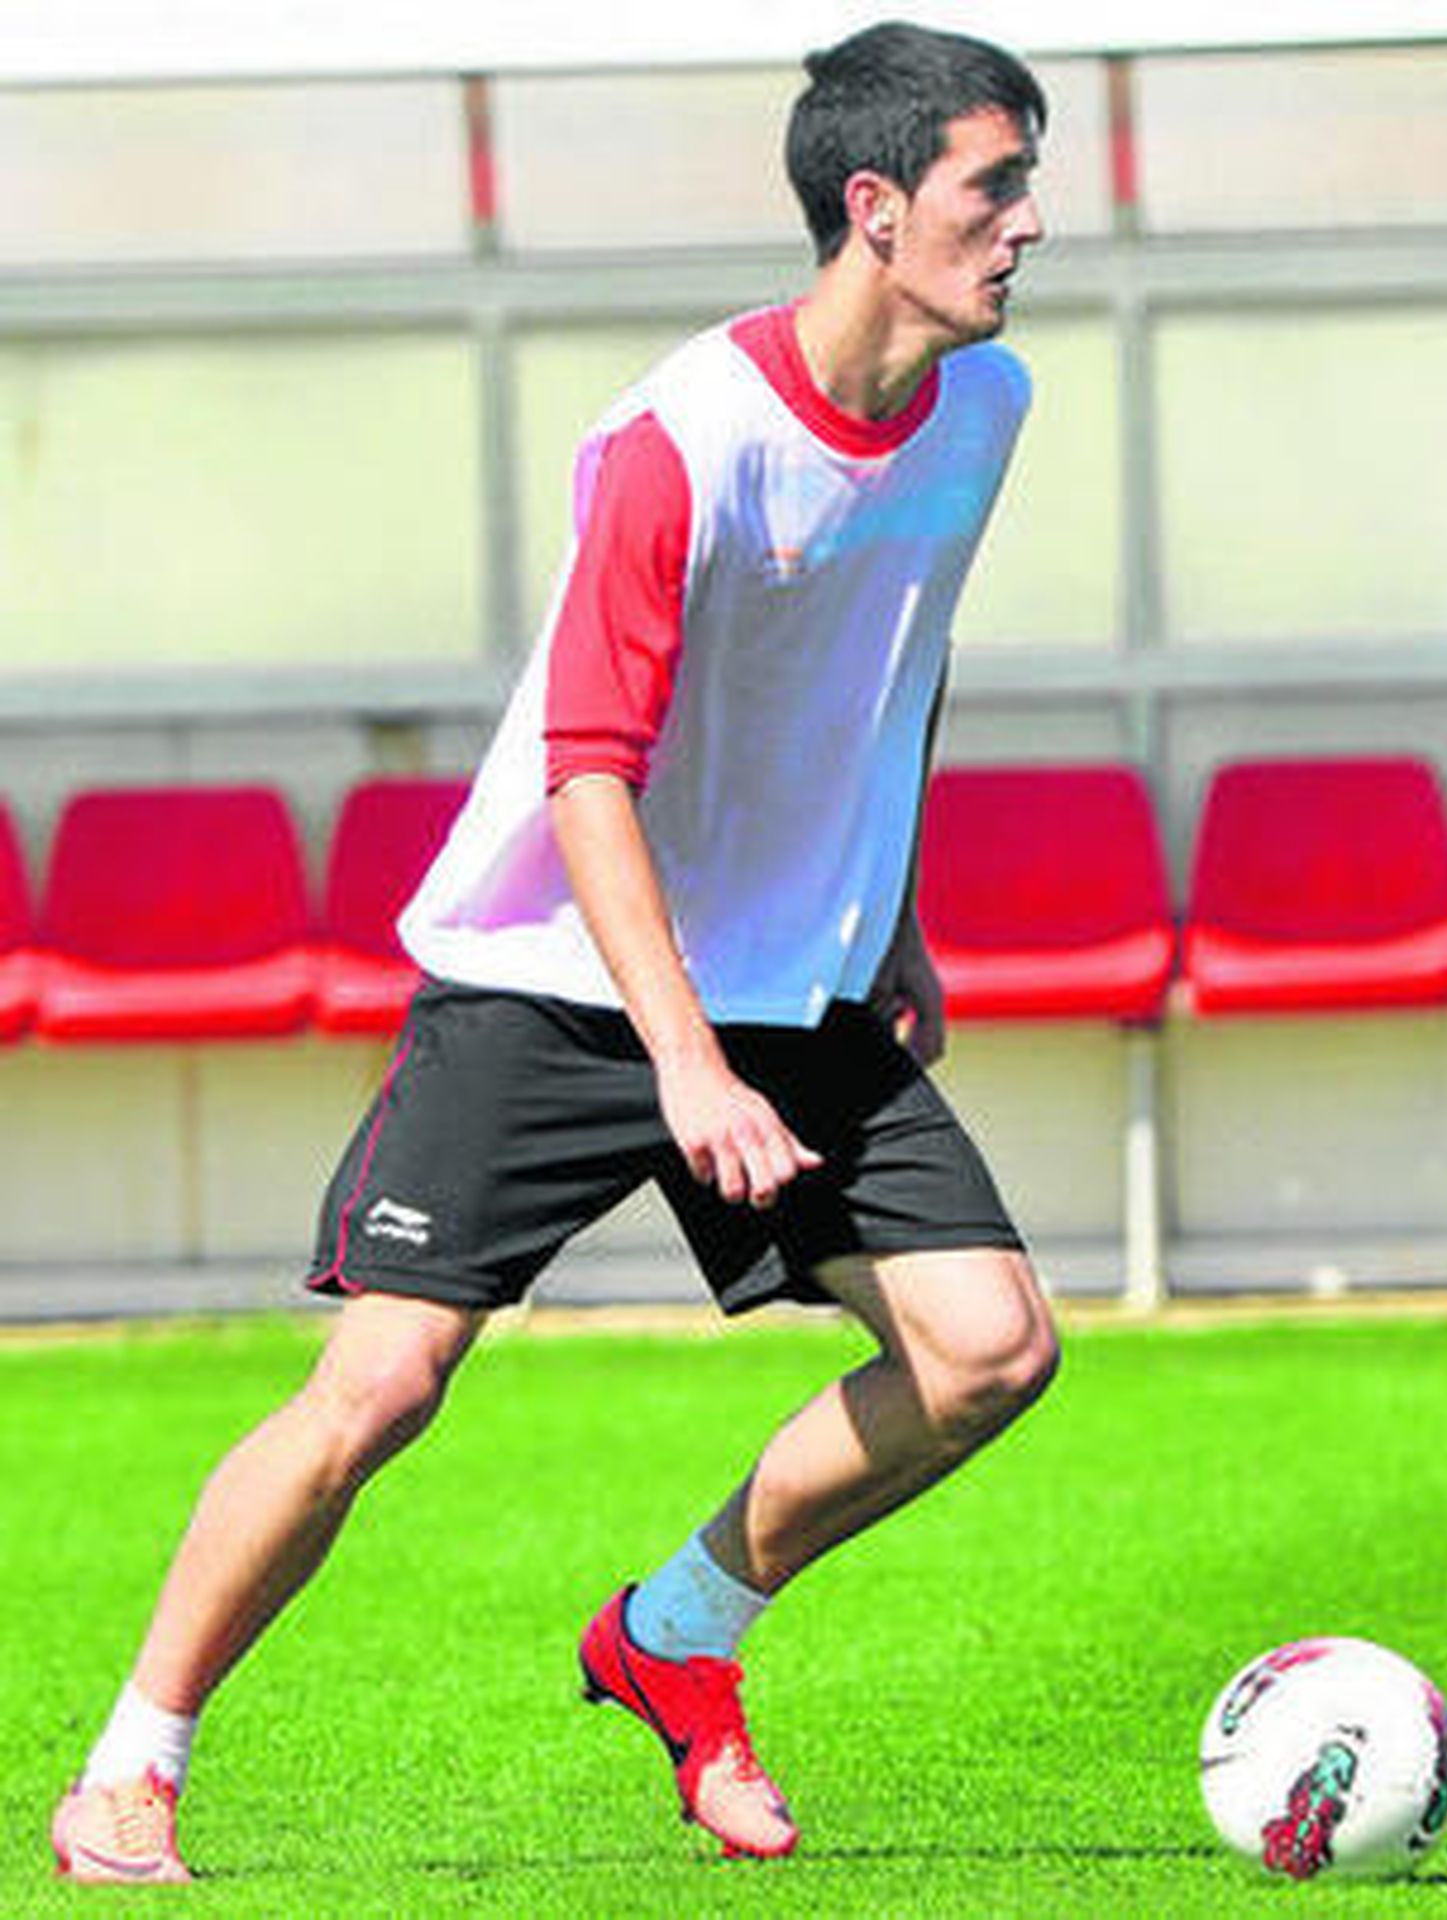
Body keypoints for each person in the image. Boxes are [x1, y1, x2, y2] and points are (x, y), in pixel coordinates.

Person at [51, 19, 1057, 1883]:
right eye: (994, 187)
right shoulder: (682, 441)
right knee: (383, 1387)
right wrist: (681, 1062)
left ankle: (673, 1633)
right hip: (556, 978)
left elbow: (897, 670)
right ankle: (131, 1764)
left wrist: (892, 912)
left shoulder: (988, 409)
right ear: (875, 205)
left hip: (798, 984)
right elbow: (591, 772)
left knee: (990, 1349)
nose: (1026, 227)